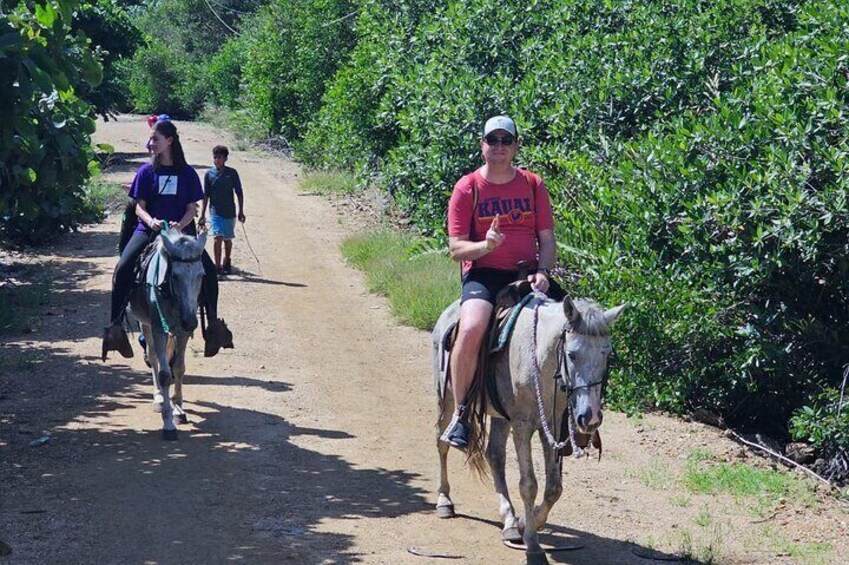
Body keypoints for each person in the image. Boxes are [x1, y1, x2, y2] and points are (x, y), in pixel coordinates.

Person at [442, 115, 564, 449]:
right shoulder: (467, 188)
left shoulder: (532, 184)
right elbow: (456, 249)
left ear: (516, 146)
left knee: (576, 327)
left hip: (528, 275)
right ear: (482, 145)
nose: (499, 147)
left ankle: (572, 415)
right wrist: (486, 246)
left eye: (505, 141)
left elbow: (547, 239)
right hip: (484, 275)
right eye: (492, 140)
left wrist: (543, 271)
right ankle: (462, 413)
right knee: (470, 329)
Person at [102, 120, 234, 361]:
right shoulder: (145, 172)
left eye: (156, 139)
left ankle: (213, 323)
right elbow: (138, 207)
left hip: (181, 234)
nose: (151, 144)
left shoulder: (187, 173)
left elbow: (191, 208)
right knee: (123, 267)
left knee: (207, 270)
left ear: (169, 141)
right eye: (152, 140)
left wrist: (180, 225)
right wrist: (151, 221)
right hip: (149, 230)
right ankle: (116, 326)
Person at [199, 145, 245, 276]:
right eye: (215, 157)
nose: (217, 160)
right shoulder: (209, 174)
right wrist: (202, 215)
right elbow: (206, 195)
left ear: (225, 158)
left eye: (219, 157)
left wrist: (241, 211)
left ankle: (227, 260)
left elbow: (239, 193)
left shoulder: (232, 173)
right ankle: (217, 267)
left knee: (227, 239)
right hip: (215, 211)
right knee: (217, 237)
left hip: (230, 211)